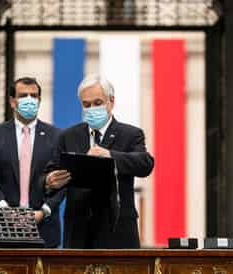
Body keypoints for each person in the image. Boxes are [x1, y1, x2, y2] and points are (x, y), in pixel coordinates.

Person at [44, 74, 154, 248]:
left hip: (117, 228)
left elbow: (145, 163)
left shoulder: (130, 134)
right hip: (78, 230)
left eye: (97, 103)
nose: (91, 109)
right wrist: (49, 181)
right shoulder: (68, 136)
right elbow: (48, 173)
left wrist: (110, 155)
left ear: (111, 102)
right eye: (86, 105)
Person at [0, 77, 61, 248]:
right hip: (1, 230)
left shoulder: (56, 136)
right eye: (23, 95)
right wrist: (5, 210)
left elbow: (63, 180)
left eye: (34, 96)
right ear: (12, 101)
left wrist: (43, 212)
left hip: (43, 229)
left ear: (39, 100)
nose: (30, 100)